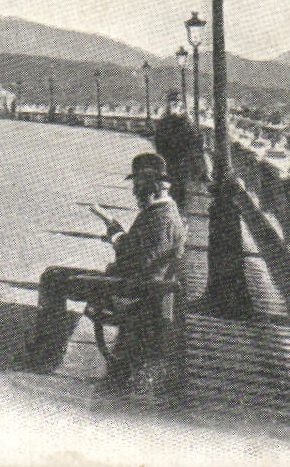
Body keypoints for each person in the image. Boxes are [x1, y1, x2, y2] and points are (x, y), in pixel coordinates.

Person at [26, 152, 188, 382]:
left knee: (53, 278)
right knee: (55, 274)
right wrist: (115, 230)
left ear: (156, 186)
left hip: (130, 289)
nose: (134, 191)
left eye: (139, 185)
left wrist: (115, 235)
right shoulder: (164, 212)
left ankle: (46, 352)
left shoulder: (161, 218)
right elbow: (142, 254)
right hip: (139, 286)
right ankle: (50, 347)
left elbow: (137, 263)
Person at [152, 96, 206, 208]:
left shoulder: (171, 122)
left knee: (178, 190)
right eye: (174, 104)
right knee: (176, 190)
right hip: (175, 162)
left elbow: (197, 141)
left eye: (177, 105)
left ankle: (178, 212)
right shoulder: (183, 122)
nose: (176, 107)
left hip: (178, 162)